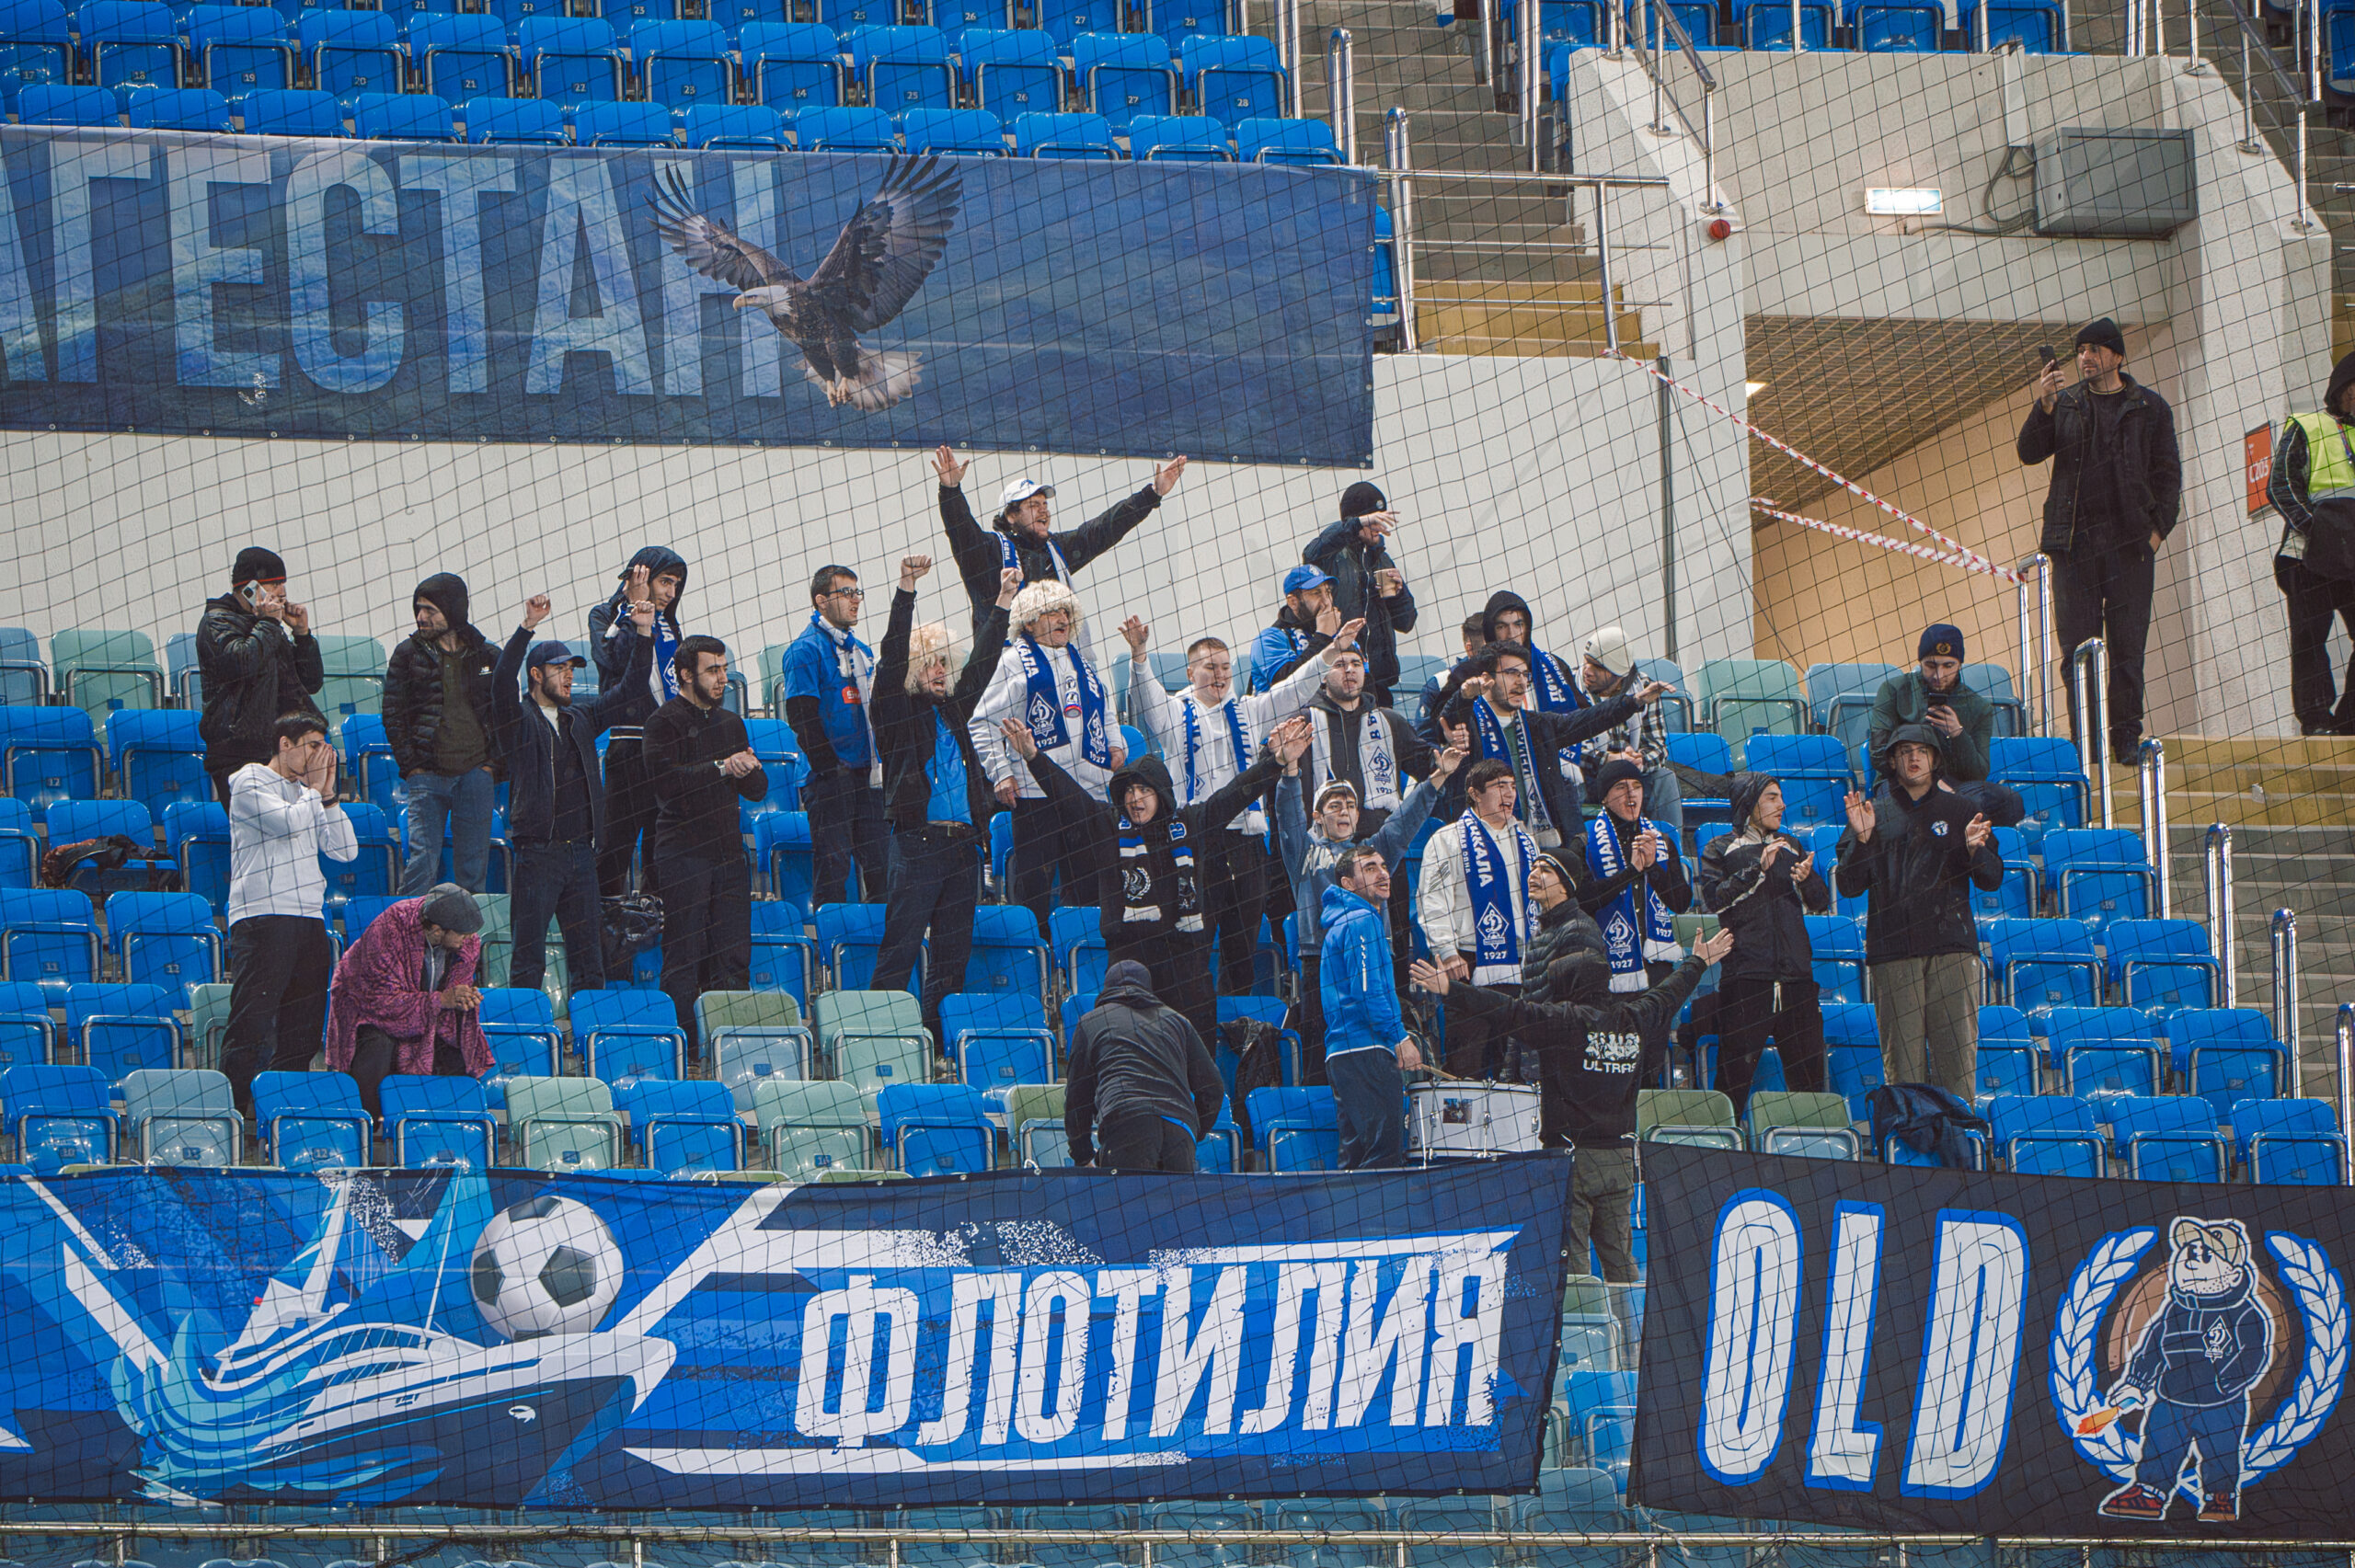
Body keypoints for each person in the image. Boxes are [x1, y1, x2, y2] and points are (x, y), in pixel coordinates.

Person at [1409, 927, 1732, 1283]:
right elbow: (1669, 993)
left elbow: (1504, 1009)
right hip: (1621, 1160)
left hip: (1572, 1159)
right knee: (1621, 1264)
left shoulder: (1563, 1022)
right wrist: (1698, 961)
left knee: (1573, 1270)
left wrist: (1450, 988)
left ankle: (1582, 1319)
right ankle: (1625, 1320)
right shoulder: (1635, 1019)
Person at [1004, 715, 1295, 1047]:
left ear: (1161, 793)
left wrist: (1276, 761)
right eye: (1129, 790)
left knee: (1194, 1061)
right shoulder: (1107, 826)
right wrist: (1033, 757)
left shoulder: (1192, 823)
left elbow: (1232, 796)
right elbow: (1069, 797)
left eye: (1144, 789)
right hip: (1127, 966)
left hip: (1186, 967)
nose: (1135, 798)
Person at [1123, 611, 1361, 1002]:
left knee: (1243, 945)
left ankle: (1238, 1019)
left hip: (1247, 846)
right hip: (1195, 844)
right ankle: (1194, 1015)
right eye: (1209, 667)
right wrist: (1139, 654)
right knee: (1195, 940)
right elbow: (1147, 698)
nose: (1219, 675)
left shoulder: (1249, 711)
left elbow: (1292, 689)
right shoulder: (1173, 715)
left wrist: (1332, 651)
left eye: (1225, 667)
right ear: (1190, 673)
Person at [2019, 316, 2183, 760]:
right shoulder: (2066, 403)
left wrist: (2156, 533)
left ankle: (2125, 739)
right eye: (2080, 351)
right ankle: (2087, 744)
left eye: (2094, 349)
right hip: (2073, 547)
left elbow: (2168, 476)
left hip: (2130, 547)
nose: (2085, 358)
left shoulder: (2150, 408)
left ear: (2117, 356)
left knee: (2128, 649)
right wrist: (2045, 405)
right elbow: (2029, 452)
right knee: (2076, 651)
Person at [872, 557, 1019, 1048]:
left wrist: (1002, 602)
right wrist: (906, 590)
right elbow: (891, 658)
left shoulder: (956, 711)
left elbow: (984, 661)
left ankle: (936, 1046)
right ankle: (879, 1043)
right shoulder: (895, 712)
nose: (940, 671)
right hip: (917, 845)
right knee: (901, 949)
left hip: (963, 849)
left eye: (944, 663)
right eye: (930, 663)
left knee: (953, 956)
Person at [488, 591, 660, 995]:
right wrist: (526, 628)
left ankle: (589, 1032)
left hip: (583, 855)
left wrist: (644, 632)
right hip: (538, 854)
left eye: (571, 669)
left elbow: (633, 687)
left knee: (589, 959)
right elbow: (500, 683)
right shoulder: (518, 721)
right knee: (527, 956)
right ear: (535, 674)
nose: (568, 676)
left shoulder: (582, 717)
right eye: (559, 668)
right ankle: (528, 1029)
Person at [1835, 723, 2005, 1100]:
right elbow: (1848, 885)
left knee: (1957, 1069)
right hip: (1893, 953)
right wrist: (1862, 841)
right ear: (1892, 761)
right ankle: (1908, 1137)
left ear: (1935, 759)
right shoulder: (1871, 812)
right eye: (1905, 752)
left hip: (1952, 950)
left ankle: (1959, 1137)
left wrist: (1976, 852)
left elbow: (1992, 879)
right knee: (1903, 1075)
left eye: (1922, 751)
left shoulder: (1963, 810)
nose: (1913, 758)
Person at [1274, 736, 1460, 1078]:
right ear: (1317, 816)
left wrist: (1437, 779)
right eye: (1334, 806)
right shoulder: (1304, 853)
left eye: (1350, 805)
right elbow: (1288, 819)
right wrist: (1290, 772)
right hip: (1320, 961)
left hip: (1373, 957)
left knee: (1376, 1044)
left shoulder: (1372, 854)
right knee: (1322, 1053)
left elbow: (1403, 822)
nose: (1344, 811)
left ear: (1359, 815)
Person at [968, 579, 1126, 937]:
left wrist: (1116, 745)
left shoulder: (1084, 663)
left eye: (1066, 612)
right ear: (1028, 621)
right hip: (1036, 795)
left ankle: (1080, 958)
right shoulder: (1013, 661)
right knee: (1034, 893)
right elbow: (982, 722)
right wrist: (1001, 773)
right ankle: (1035, 959)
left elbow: (1107, 713)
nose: (1062, 619)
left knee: (1088, 891)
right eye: (1051, 613)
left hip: (1087, 793)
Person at [223, 714, 357, 1116]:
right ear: (285, 744)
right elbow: (284, 823)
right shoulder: (249, 780)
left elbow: (345, 851)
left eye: (323, 747)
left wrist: (328, 796)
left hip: (310, 918)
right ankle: (234, 1111)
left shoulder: (307, 794)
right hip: (263, 916)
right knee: (253, 1022)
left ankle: (281, 1113)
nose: (319, 756)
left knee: (303, 1027)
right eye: (312, 745)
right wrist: (314, 791)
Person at [643, 635, 767, 1060]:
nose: (722, 678)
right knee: (684, 956)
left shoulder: (731, 723)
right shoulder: (662, 722)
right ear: (685, 674)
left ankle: (730, 1054)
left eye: (724, 669)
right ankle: (685, 1055)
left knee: (733, 956)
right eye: (712, 670)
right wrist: (722, 767)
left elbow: (757, 789)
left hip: (728, 854)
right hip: (682, 853)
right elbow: (667, 785)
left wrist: (749, 768)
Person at [934, 444, 1188, 635]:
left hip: (1052, 665)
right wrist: (951, 491)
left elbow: (1104, 529)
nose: (1043, 511)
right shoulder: (986, 551)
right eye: (1033, 505)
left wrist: (1151, 495)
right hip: (1000, 669)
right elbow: (961, 530)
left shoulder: (1056, 549)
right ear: (1011, 516)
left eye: (1045, 505)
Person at [1434, 642, 1665, 848]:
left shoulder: (1539, 726)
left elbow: (1589, 720)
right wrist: (1464, 696)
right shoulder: (1469, 727)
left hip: (1541, 842)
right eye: (1511, 673)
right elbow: (1449, 721)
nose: (1520, 682)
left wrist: (1635, 701)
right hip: (1483, 843)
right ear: (1487, 678)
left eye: (1525, 674)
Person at [1696, 773, 1832, 1116]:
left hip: (1797, 979)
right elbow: (1713, 900)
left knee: (1810, 1086)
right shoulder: (1719, 848)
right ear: (1749, 802)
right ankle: (1725, 1141)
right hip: (1746, 978)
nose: (1782, 805)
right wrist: (1757, 869)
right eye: (1772, 797)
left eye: (1781, 797)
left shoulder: (1792, 845)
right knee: (1733, 1082)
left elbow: (1820, 902)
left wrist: (1809, 880)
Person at [1417, 758, 1544, 1077]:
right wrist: (1446, 951)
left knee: (1509, 1064)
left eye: (1512, 786)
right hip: (1468, 961)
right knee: (1467, 1060)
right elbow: (1432, 901)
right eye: (1499, 786)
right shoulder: (1447, 839)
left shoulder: (1526, 840)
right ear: (1475, 793)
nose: (1509, 794)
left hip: (1520, 962)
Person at [323, 884, 492, 1121]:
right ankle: (365, 1124)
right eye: (462, 934)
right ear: (436, 930)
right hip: (368, 1010)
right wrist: (440, 1000)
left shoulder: (467, 942)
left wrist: (462, 997)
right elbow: (381, 1002)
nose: (468, 940)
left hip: (426, 1008)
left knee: (460, 1045)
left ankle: (451, 1123)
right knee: (378, 1046)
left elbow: (457, 984)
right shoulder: (390, 929)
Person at [385, 573, 500, 896]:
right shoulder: (407, 654)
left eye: (430, 610)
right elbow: (393, 714)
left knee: (473, 870)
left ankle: (467, 931)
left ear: (453, 611)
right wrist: (412, 766)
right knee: (421, 867)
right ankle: (408, 928)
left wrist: (491, 765)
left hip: (476, 775)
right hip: (427, 776)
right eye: (418, 609)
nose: (421, 617)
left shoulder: (487, 655)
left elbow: (505, 714)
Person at [2264, 347, 2355, 735]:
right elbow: (2280, 486)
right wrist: (2318, 531)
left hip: (2352, 560)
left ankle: (2349, 722)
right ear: (2342, 388)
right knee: (2309, 638)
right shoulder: (2308, 426)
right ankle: (2316, 719)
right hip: (2306, 556)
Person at [784, 563, 886, 907]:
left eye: (857, 593)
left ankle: (876, 937)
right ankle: (833, 939)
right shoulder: (805, 650)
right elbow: (802, 718)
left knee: (882, 868)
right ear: (821, 600)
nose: (855, 600)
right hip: (829, 778)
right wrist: (831, 769)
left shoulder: (863, 652)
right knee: (834, 867)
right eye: (846, 593)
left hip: (868, 776)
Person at [1063, 959, 1227, 1173]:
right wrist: (1193, 1129)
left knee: (1128, 1195)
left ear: (1107, 988)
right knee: (1175, 1196)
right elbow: (1213, 1088)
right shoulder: (1178, 1022)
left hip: (1127, 1122)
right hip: (1179, 1130)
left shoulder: (1091, 1022)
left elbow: (1077, 1097)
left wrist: (1082, 1155)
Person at [589, 549, 687, 898]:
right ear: (641, 578)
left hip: (669, 748)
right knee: (614, 849)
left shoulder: (671, 625)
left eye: (676, 585)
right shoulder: (604, 615)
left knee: (663, 850)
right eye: (665, 582)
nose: (671, 593)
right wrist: (634, 611)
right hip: (629, 746)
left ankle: (655, 916)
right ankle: (607, 917)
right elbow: (613, 660)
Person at [196, 547, 325, 805]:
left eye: (283, 583)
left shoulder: (267, 626)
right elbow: (241, 663)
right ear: (250, 588)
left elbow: (310, 682)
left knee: (291, 825)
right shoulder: (217, 621)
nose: (282, 592)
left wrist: (302, 635)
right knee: (258, 826)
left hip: (277, 747)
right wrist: (269, 623)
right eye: (274, 584)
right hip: (238, 750)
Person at [1322, 845, 1423, 1170]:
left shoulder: (1345, 920)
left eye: (1383, 866)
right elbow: (1367, 991)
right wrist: (1399, 1036)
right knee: (1384, 1160)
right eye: (1369, 868)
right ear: (1348, 883)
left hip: (1343, 1054)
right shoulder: (1362, 919)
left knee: (1354, 1161)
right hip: (1366, 1050)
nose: (1383, 873)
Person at [1867, 624, 2027, 826]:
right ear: (1920, 662)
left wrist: (1958, 734)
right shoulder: (1894, 690)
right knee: (1903, 804)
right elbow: (1878, 754)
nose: (1938, 675)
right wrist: (1927, 782)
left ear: (1960, 664)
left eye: (1948, 666)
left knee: (2009, 802)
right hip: (1899, 782)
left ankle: (1947, 817)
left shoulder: (1978, 707)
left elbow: (1978, 773)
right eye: (1930, 666)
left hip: (1954, 787)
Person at [1580, 758, 1693, 993]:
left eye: (1637, 786)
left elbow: (1681, 903)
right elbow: (1585, 902)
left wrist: (1652, 868)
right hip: (1605, 965)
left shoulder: (1662, 840)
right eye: (1621, 787)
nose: (1631, 794)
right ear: (1604, 797)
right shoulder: (1584, 841)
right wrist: (1631, 872)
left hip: (1656, 965)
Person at [1301, 482, 1419, 705]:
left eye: (1381, 519)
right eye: (1373, 520)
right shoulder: (1331, 556)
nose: (1379, 527)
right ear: (1356, 521)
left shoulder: (1382, 559)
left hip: (1378, 682)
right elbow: (1311, 552)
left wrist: (1400, 594)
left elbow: (1406, 623)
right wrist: (1356, 524)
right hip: (1337, 680)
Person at [1572, 626, 1682, 835]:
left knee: (1664, 778)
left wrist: (1640, 760)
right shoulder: (1570, 687)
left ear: (1618, 675)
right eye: (1587, 661)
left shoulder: (1645, 687)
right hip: (1589, 777)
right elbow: (1569, 752)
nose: (1587, 671)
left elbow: (1658, 748)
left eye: (1597, 667)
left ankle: (1670, 847)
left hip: (1631, 775)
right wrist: (1609, 760)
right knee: (1568, 783)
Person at [1246, 566, 1348, 693]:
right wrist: (1323, 637)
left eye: (1328, 592)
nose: (1327, 601)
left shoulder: (1335, 631)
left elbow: (1361, 678)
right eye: (1316, 593)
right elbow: (1288, 689)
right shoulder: (1268, 639)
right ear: (1293, 602)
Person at [1478, 591, 1583, 713]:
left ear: (1527, 627)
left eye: (1518, 625)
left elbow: (1583, 715)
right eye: (1502, 627)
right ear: (1491, 632)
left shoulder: (1554, 664)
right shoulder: (1478, 675)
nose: (1511, 634)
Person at [1521, 852, 1605, 1001]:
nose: (1532, 875)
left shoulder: (1579, 930)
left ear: (1565, 887)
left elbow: (1584, 1006)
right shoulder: (1537, 933)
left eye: (1545, 870)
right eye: (1533, 868)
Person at [1417, 613, 1489, 746]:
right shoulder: (1438, 684)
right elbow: (1425, 742)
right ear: (1470, 649)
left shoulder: (1516, 678)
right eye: (1490, 649)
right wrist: (1447, 752)